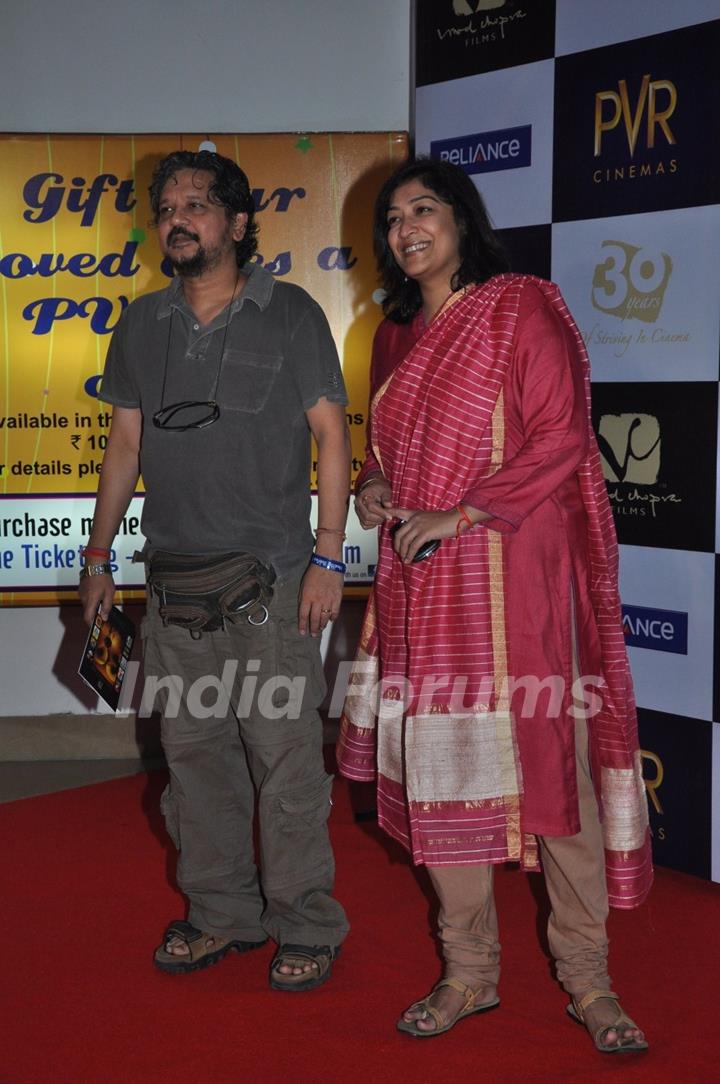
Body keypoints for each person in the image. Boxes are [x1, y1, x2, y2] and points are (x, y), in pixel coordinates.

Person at [337, 157, 652, 1049]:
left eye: (423, 209)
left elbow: (562, 436)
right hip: (426, 587)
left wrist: (463, 510)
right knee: (447, 780)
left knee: (553, 777)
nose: (406, 229)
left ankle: (590, 983)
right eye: (393, 218)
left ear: (462, 220)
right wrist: (374, 487)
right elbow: (385, 454)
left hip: (518, 583)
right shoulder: (392, 337)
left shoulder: (522, 305)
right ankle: (469, 973)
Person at [79, 148, 350, 992]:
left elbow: (333, 440)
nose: (176, 219)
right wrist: (98, 555)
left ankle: (307, 923)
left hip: (270, 586)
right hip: (173, 589)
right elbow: (125, 445)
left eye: (196, 204)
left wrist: (328, 556)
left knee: (287, 764)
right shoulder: (140, 325)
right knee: (195, 766)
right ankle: (221, 915)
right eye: (166, 208)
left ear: (236, 223)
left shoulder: (291, 313)